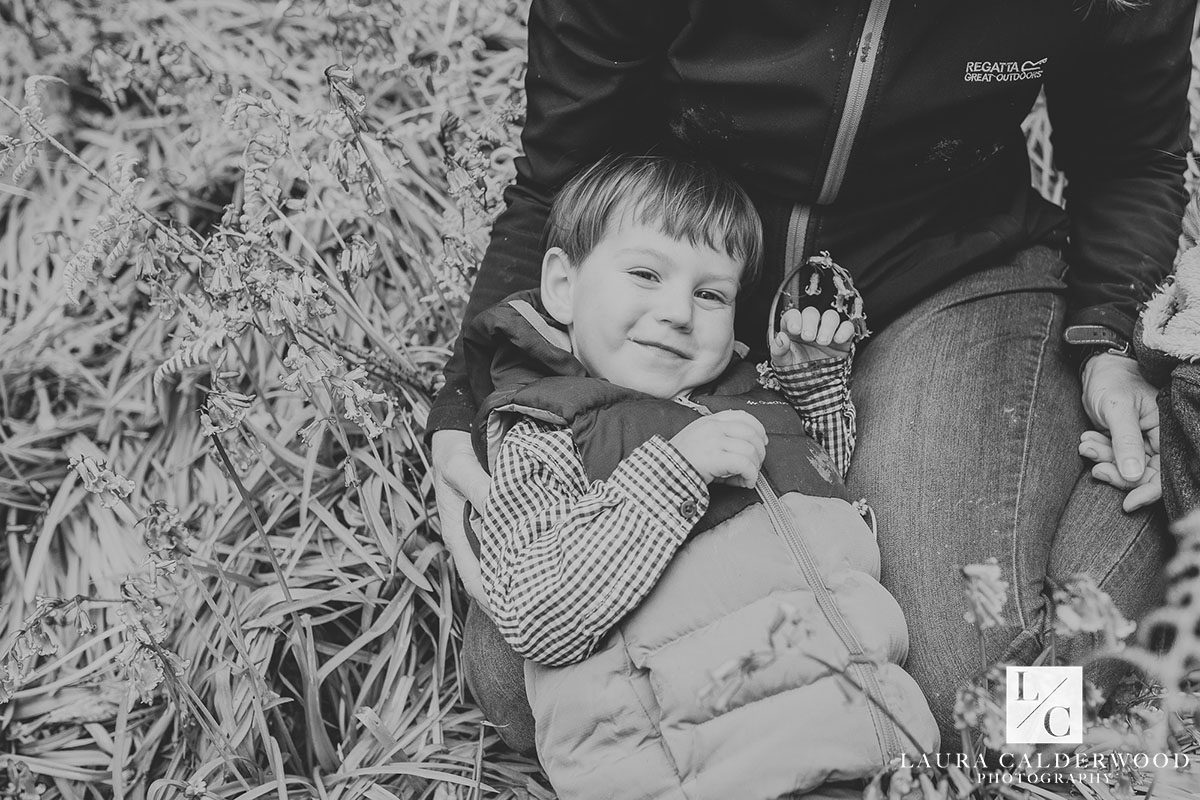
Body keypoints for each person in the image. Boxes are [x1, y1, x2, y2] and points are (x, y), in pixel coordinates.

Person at [430, 0, 1196, 746]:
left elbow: (1131, 155)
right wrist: (468, 404)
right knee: (518, 690)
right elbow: (558, 171)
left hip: (949, 265)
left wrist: (1113, 345)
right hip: (701, 292)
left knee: (966, 700)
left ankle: (1123, 676)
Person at [463, 154, 937, 799]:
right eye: (645, 274)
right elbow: (537, 614)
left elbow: (821, 486)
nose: (679, 313)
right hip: (695, 771)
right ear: (563, 286)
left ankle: (1074, 745)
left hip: (862, 741)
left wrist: (812, 385)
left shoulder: (743, 395)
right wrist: (675, 474)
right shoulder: (543, 432)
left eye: (710, 294)